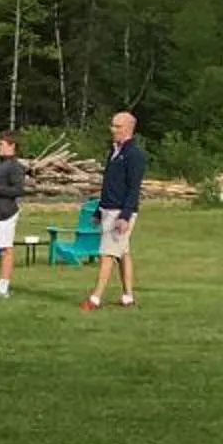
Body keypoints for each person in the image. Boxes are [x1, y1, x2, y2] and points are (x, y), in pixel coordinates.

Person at [86, 109, 146, 311]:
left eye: (117, 126)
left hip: (121, 212)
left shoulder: (134, 155)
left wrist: (125, 216)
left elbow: (133, 188)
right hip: (108, 209)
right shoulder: (113, 152)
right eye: (112, 125)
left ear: (128, 129)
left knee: (107, 254)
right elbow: (108, 185)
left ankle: (95, 298)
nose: (113, 130)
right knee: (123, 254)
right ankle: (128, 295)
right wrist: (97, 210)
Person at [0, 130, 29, 298]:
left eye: (0, 144)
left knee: (6, 249)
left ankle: (3, 288)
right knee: (1, 250)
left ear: (12, 145)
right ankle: (0, 285)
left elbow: (18, 190)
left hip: (5, 212)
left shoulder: (15, 166)